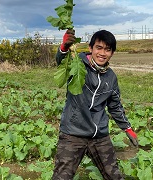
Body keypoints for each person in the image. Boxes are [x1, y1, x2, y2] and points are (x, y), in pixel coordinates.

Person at [52, 29, 138, 180]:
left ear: (112, 53)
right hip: (73, 133)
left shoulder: (110, 77)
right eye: (99, 48)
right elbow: (60, 62)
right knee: (61, 177)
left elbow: (115, 106)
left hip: (99, 135)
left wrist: (128, 128)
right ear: (90, 48)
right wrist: (64, 48)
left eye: (107, 50)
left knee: (114, 176)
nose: (102, 53)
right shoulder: (77, 64)